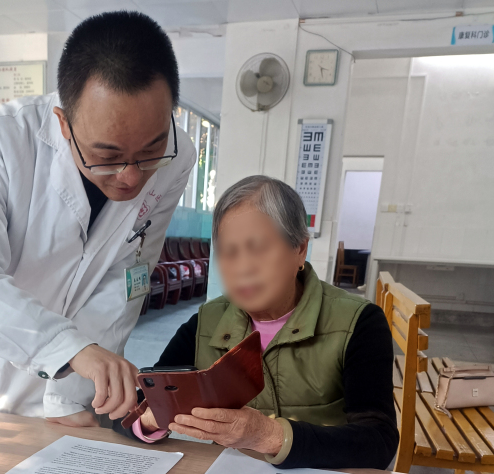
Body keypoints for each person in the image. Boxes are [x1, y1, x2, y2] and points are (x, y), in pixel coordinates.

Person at [0, 11, 196, 424]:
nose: (131, 177)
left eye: (150, 151)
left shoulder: (179, 157)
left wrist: (69, 394)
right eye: (107, 156)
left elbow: (127, 277)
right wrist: (67, 350)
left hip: (85, 386)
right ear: (64, 124)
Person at [110, 175, 398, 469]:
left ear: (300, 249)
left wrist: (269, 436)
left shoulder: (358, 323)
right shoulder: (205, 324)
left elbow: (379, 442)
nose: (242, 268)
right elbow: (131, 410)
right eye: (228, 252)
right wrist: (151, 420)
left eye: (258, 248)